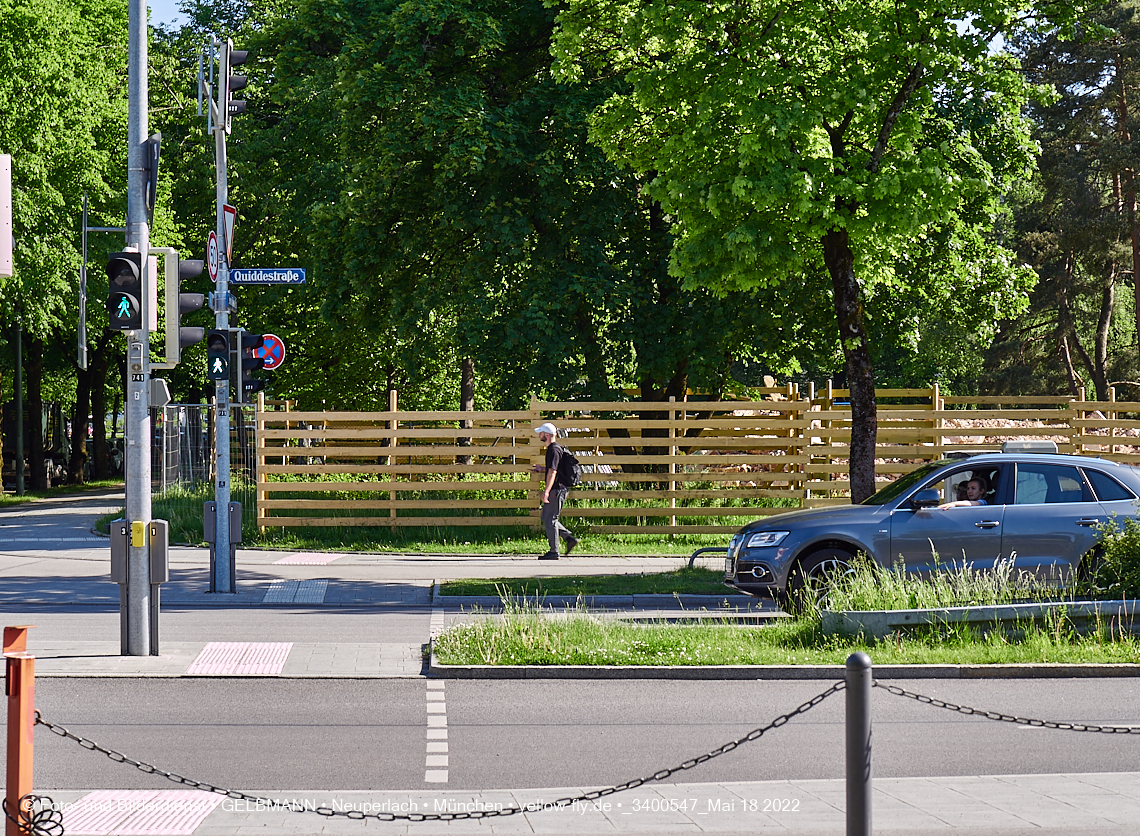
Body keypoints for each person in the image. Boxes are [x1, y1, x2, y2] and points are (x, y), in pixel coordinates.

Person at [532, 422, 580, 560]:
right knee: (546, 517)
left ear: (546, 435)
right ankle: (569, 538)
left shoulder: (553, 450)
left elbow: (553, 472)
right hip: (558, 488)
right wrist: (542, 469)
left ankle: (554, 551)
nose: (539, 435)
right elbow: (553, 469)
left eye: (540, 433)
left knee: (551, 519)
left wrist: (546, 491)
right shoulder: (555, 448)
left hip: (557, 489)